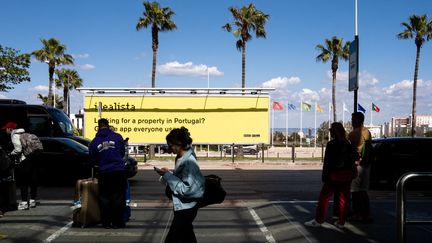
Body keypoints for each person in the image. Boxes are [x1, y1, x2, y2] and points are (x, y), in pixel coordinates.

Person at [155, 127, 205, 243]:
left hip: (186, 207)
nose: (169, 148)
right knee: (187, 236)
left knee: (173, 238)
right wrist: (169, 174)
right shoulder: (181, 157)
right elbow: (182, 179)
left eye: (171, 145)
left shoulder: (189, 162)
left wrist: (168, 176)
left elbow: (186, 189)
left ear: (179, 144)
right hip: (183, 205)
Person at [305, 122, 357, 229]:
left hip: (334, 175)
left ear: (334, 132)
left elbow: (327, 163)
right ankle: (341, 222)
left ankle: (319, 220)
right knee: (344, 199)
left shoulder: (331, 144)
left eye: (331, 131)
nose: (330, 132)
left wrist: (325, 176)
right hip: (347, 175)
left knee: (324, 198)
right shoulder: (348, 144)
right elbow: (354, 159)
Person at [89, 118, 126, 229]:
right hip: (118, 171)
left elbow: (92, 159)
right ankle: (118, 222)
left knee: (105, 198)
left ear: (98, 126)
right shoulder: (117, 137)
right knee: (118, 197)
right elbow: (122, 152)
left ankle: (106, 223)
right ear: (108, 125)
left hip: (104, 172)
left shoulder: (94, 142)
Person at [2, 121, 38, 210]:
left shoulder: (15, 135)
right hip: (32, 158)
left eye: (6, 129)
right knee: (33, 180)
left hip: (24, 160)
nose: (5, 131)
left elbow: (18, 149)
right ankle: (33, 201)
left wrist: (11, 153)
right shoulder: (25, 133)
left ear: (10, 129)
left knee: (23, 182)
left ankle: (24, 203)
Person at [349, 112, 373, 222]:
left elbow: (352, 150)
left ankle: (357, 213)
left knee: (354, 190)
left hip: (357, 165)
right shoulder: (367, 132)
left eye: (353, 119)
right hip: (367, 164)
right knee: (363, 191)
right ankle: (366, 214)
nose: (352, 121)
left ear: (357, 120)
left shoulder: (353, 134)